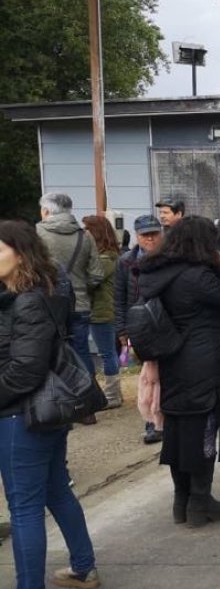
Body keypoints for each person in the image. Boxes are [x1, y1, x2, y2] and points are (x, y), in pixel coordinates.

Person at [0, 221, 102, 589]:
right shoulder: (39, 291)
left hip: (22, 415)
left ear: (21, 253)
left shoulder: (27, 301)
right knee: (56, 489)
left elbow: (25, 370)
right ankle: (83, 566)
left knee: (25, 507)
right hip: (46, 410)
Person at [138, 216, 220, 528]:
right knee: (205, 431)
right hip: (204, 364)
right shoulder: (197, 276)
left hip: (172, 362)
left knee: (178, 432)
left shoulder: (157, 273)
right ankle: (200, 501)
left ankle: (181, 500)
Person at [36, 193, 104, 385]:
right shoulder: (85, 235)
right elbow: (97, 275)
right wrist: (81, 288)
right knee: (81, 351)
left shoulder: (36, 234)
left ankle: (59, 402)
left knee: (50, 354)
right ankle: (89, 402)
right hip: (80, 305)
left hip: (47, 305)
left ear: (46, 211)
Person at [115, 215, 166, 445]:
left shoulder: (170, 257)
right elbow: (119, 297)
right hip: (139, 324)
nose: (151, 239)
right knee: (147, 376)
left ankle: (163, 419)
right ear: (137, 236)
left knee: (164, 374)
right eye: (145, 235)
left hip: (164, 323)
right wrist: (122, 331)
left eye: (154, 233)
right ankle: (151, 422)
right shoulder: (126, 261)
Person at [81, 215, 122, 409]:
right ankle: (113, 393)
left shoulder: (105, 259)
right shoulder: (111, 255)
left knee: (107, 353)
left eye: (87, 229)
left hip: (102, 311)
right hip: (102, 310)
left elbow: (91, 280)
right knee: (108, 352)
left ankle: (113, 394)